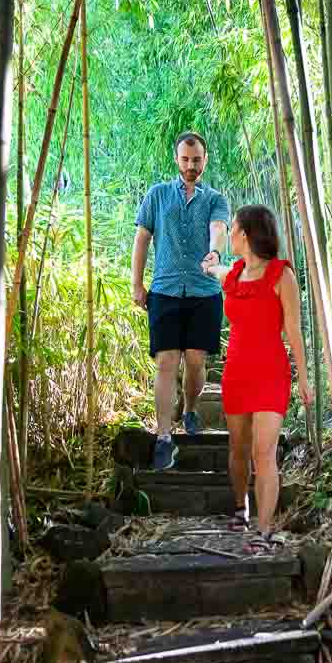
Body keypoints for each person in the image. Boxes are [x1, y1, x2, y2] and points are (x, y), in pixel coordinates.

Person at [202, 205, 313, 551]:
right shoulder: (234, 275)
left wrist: (304, 380)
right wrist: (208, 265)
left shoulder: (282, 276)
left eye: (232, 228)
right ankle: (241, 508)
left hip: (270, 374)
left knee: (263, 453)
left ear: (246, 235)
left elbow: (294, 332)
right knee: (238, 448)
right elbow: (217, 271)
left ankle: (263, 531)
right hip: (236, 372)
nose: (230, 234)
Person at [132, 131, 231, 470]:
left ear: (205, 160)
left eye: (197, 160)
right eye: (186, 160)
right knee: (166, 362)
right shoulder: (156, 196)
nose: (191, 166)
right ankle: (163, 438)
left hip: (204, 291)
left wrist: (215, 251)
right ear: (177, 160)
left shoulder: (215, 198)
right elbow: (142, 239)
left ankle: (189, 407)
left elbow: (219, 228)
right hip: (165, 290)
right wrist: (137, 284)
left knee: (195, 361)